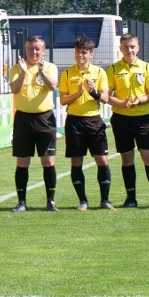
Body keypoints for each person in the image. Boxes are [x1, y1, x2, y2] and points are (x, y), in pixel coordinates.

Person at [106, 32, 149, 208]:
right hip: (121, 120)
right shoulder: (112, 69)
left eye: (132, 46)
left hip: (143, 120)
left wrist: (138, 100)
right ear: (120, 49)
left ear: (138, 47)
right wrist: (121, 103)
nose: (129, 50)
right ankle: (131, 199)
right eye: (126, 47)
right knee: (127, 159)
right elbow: (107, 96)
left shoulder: (147, 67)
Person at [58, 37, 114, 211]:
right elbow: (62, 100)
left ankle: (105, 200)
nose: (79, 55)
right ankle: (83, 201)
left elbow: (105, 98)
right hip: (74, 121)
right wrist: (77, 94)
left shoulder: (99, 73)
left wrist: (93, 92)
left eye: (83, 52)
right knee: (76, 161)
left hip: (94, 121)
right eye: (77, 51)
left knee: (102, 160)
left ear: (91, 54)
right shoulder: (67, 73)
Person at [9, 36, 59, 212]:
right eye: (30, 48)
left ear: (43, 51)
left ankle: (50, 201)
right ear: (26, 50)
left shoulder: (50, 67)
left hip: (45, 118)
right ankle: (21, 202)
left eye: (37, 49)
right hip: (23, 119)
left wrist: (42, 72)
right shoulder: (16, 68)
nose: (34, 52)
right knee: (22, 161)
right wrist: (23, 72)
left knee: (48, 160)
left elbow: (53, 86)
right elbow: (14, 89)